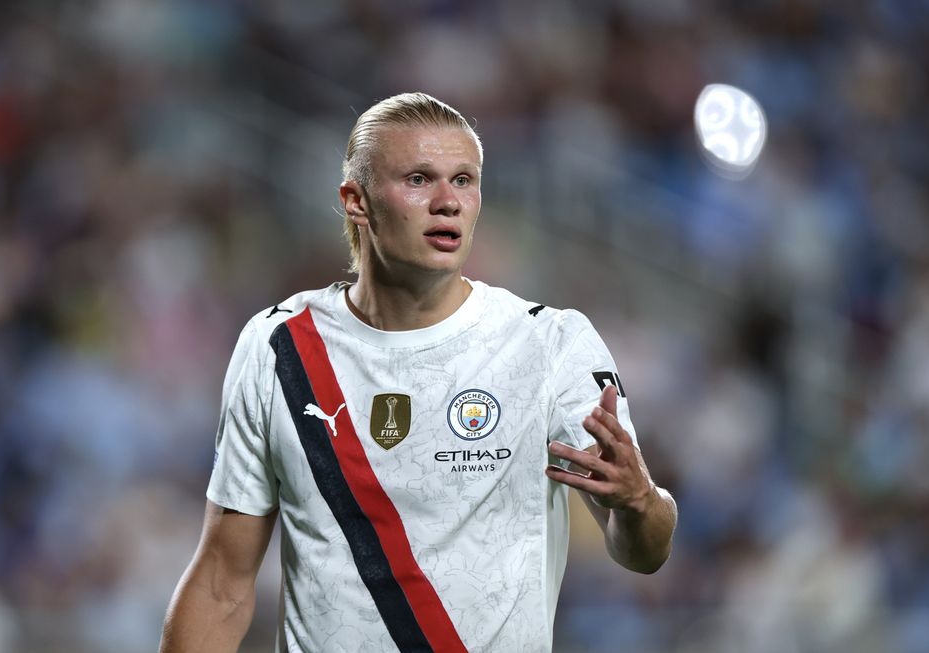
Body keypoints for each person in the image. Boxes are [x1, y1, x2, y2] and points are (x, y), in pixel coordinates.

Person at [159, 92, 677, 653]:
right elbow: (221, 585)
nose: (447, 201)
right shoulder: (278, 347)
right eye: (418, 180)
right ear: (356, 201)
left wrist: (641, 500)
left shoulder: (549, 344)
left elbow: (642, 552)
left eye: (463, 180)